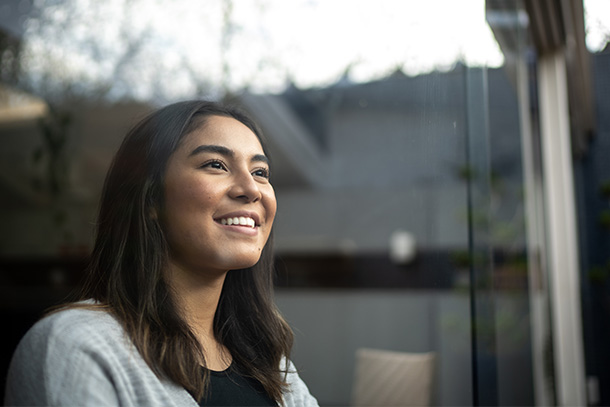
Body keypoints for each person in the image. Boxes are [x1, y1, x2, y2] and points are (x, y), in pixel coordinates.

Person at [4, 100, 318, 407]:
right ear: (151, 199)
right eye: (216, 165)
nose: (251, 189)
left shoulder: (272, 366)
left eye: (261, 171)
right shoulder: (75, 345)